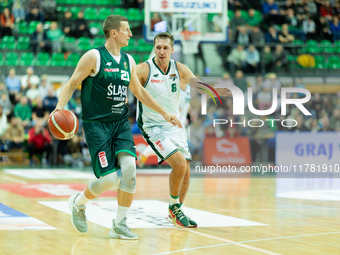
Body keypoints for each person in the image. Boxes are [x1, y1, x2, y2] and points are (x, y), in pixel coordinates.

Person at [51, 15, 182, 239]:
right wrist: (59, 108)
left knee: (130, 169)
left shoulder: (128, 60)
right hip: (97, 126)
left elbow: (139, 92)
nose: (131, 34)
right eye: (126, 30)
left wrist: (164, 112)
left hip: (120, 123)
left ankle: (120, 223)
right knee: (110, 180)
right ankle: (79, 203)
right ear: (114, 33)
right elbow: (72, 82)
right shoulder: (94, 57)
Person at [136, 32, 230, 228]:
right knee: (179, 164)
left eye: (165, 48)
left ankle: (176, 210)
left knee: (186, 171)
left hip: (174, 124)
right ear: (154, 48)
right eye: (158, 47)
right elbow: (127, 82)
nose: (161, 51)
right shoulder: (144, 69)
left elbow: (200, 86)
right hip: (153, 126)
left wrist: (217, 92)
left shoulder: (179, 69)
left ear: (172, 50)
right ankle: (173, 207)